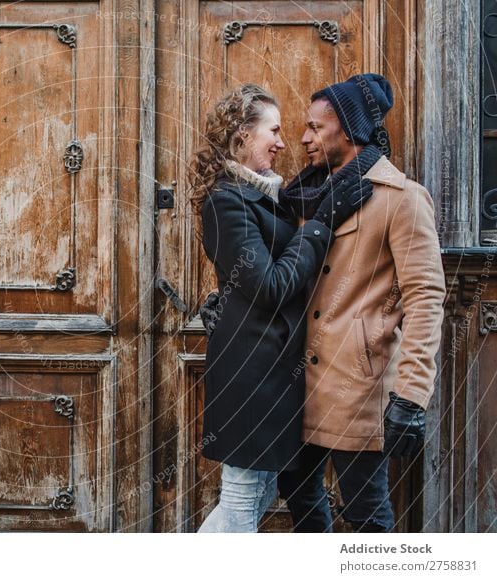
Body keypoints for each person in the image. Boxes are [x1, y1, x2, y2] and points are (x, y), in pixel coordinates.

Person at [200, 74, 446, 532]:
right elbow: (270, 267)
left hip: (356, 389)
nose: (302, 138)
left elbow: (427, 297)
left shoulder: (401, 200)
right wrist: (224, 299)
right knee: (303, 504)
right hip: (294, 389)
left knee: (366, 513)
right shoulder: (303, 195)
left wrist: (412, 395)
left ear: (349, 130)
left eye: (315, 127)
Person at [188, 83, 373, 532]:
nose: (283, 142)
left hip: (275, 376)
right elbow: (269, 285)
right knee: (242, 501)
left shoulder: (265, 196)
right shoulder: (225, 201)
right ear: (240, 136)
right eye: (272, 130)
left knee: (253, 497)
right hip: (254, 379)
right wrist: (321, 225)